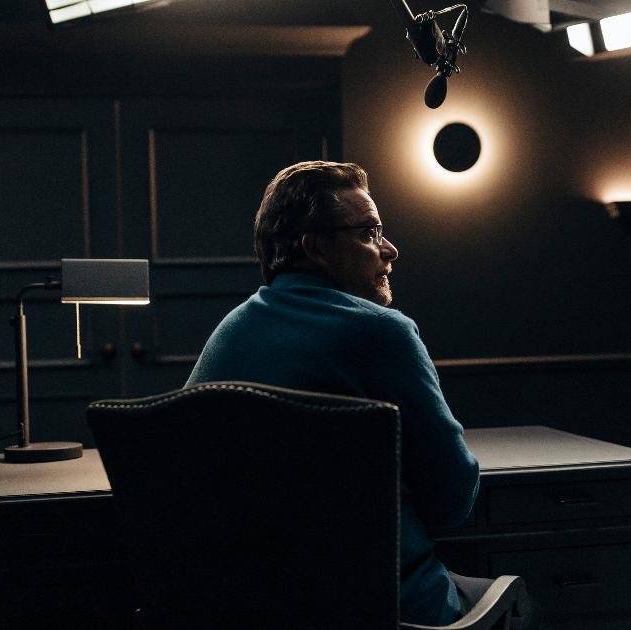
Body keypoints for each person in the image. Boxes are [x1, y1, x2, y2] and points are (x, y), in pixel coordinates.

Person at [186, 161, 538, 629]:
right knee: (522, 602)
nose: (390, 250)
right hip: (381, 608)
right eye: (369, 233)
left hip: (248, 607)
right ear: (317, 250)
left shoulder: (229, 333)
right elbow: (452, 502)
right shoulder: (382, 333)